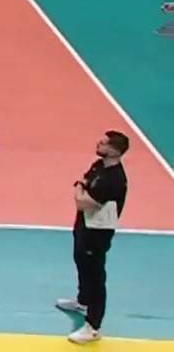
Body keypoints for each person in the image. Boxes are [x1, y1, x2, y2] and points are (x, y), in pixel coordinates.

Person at [58, 130, 130, 345]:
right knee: (80, 261)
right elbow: (84, 187)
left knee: (95, 276)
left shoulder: (114, 179)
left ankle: (93, 327)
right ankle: (83, 301)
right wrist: (82, 188)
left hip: (98, 233)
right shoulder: (99, 166)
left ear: (114, 151)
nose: (99, 143)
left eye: (104, 143)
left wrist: (79, 188)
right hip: (85, 224)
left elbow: (82, 201)